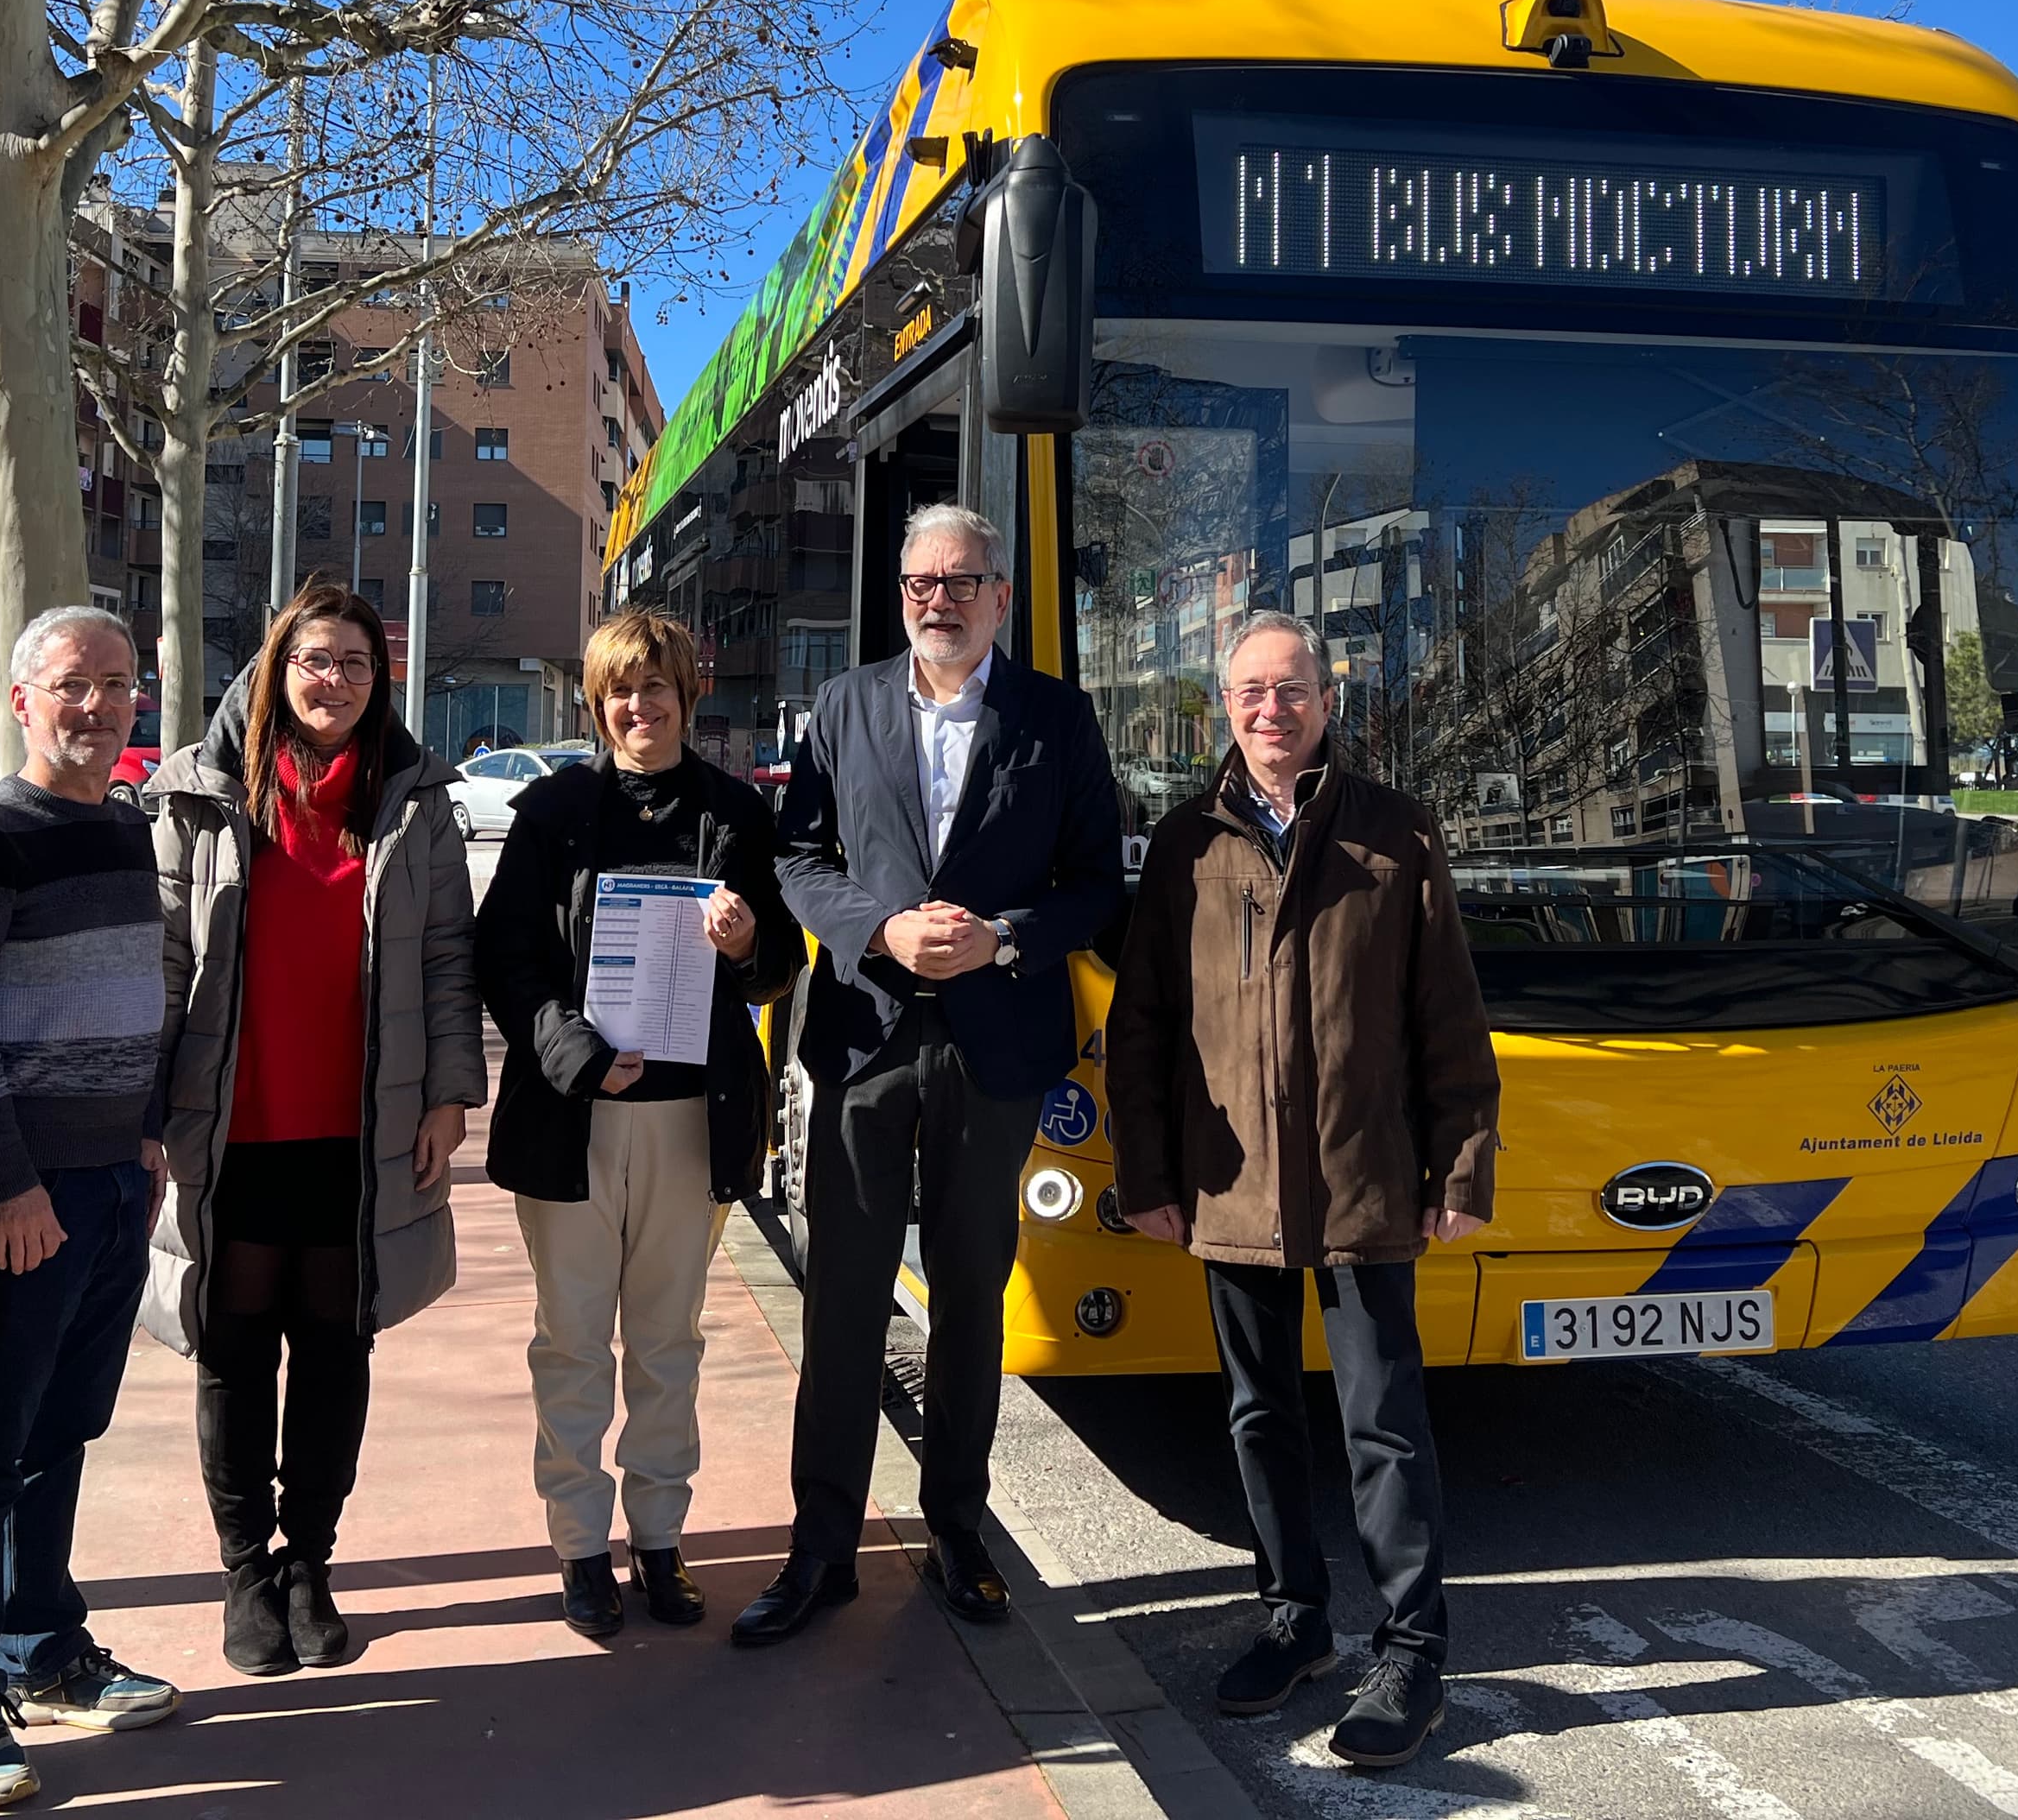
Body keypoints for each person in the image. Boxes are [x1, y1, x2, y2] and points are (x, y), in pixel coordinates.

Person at [1103, 610, 1499, 1773]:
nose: (1270, 710)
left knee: (1383, 1421)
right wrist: (1149, 1177)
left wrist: (1462, 1163)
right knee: (1259, 1414)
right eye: (1248, 694)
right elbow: (1143, 1035)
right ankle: (1294, 1617)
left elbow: (1449, 1021)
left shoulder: (1396, 835)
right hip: (1229, 1190)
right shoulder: (1184, 847)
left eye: (1292, 690)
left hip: (1365, 1174)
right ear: (1221, 710)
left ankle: (1414, 1648)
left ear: (1329, 702)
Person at [736, 503, 1123, 1646]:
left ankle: (959, 1526)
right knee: (844, 1298)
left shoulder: (1056, 716)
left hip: (997, 1039)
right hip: (864, 1034)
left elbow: (1095, 884)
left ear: (1002, 594)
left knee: (969, 1296)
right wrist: (883, 930)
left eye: (962, 581)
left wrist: (1004, 937)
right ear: (899, 594)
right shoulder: (844, 707)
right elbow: (797, 856)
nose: (938, 600)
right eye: (920, 583)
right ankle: (822, 1549)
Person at [149, 582, 481, 1677]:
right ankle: (247, 1571)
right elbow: (160, 960)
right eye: (313, 659)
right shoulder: (195, 790)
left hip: (360, 1123)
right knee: (235, 1348)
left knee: (337, 1349)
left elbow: (445, 962)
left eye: (352, 661)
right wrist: (147, 1109)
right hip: (232, 1121)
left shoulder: (416, 801)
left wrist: (447, 1093)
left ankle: (312, 1564)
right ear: (275, 667)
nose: (331, 680)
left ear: (378, 678)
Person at [0, 608, 182, 1808]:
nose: (98, 706)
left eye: (118, 686)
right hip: (25, 1194)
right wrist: (9, 1182)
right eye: (73, 685)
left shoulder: (124, 828)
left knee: (63, 1432)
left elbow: (148, 989)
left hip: (116, 1179)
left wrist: (152, 1129)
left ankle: (43, 1645)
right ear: (23, 699)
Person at [481, 610, 800, 1637]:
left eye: (656, 687)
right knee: (572, 1344)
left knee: (669, 1344)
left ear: (686, 698)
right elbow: (508, 958)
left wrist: (751, 941)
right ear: (597, 701)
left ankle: (659, 1538)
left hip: (690, 1124)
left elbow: (783, 957)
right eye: (621, 689)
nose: (639, 706)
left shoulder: (737, 816)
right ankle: (581, 1548)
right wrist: (569, 1051)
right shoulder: (555, 810)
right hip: (574, 1123)